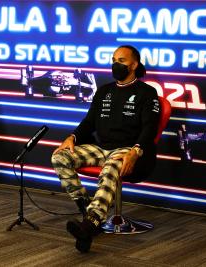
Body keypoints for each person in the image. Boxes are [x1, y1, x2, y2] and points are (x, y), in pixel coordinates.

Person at [51, 45, 160, 252]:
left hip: (128, 150)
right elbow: (89, 122)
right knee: (60, 158)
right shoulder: (104, 91)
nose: (115, 64)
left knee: (112, 166)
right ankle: (88, 211)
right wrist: (72, 137)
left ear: (134, 64)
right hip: (101, 149)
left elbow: (150, 129)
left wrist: (135, 151)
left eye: (121, 60)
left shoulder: (147, 92)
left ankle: (91, 223)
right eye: (113, 60)